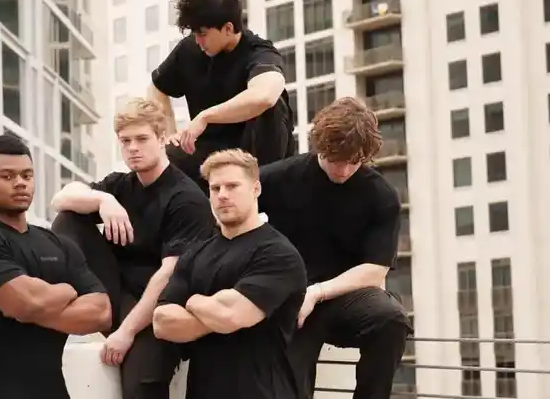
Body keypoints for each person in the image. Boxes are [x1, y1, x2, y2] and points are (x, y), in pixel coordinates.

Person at [49, 98, 215, 399]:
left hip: (159, 310)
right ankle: (82, 308)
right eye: (125, 141)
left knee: (141, 386)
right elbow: (59, 199)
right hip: (115, 294)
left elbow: (170, 275)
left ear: (162, 139)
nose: (133, 148)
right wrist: (103, 201)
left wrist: (126, 332)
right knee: (68, 220)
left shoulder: (186, 199)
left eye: (141, 139)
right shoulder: (120, 186)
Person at [257, 97, 414, 399]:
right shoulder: (275, 178)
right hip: (290, 299)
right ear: (319, 145)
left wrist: (317, 292)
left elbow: (375, 269)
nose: (342, 170)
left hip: (345, 298)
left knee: (392, 320)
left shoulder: (381, 195)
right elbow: (225, 209)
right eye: (334, 159)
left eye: (353, 161)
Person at [0, 135, 111, 399]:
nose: (20, 182)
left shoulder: (59, 245)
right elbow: (27, 303)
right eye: (7, 176)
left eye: (26, 175)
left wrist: (32, 309)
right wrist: (67, 291)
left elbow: (101, 312)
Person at [153, 149, 307, 399]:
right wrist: (217, 314)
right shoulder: (195, 254)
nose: (222, 195)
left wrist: (193, 301)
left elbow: (230, 315)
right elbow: (161, 322)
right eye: (215, 188)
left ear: (256, 189)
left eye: (232, 186)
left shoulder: (278, 254)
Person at [148, 0, 295, 193]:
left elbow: (265, 95)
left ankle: (261, 193)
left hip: (256, 156)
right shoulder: (189, 50)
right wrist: (170, 133)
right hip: (209, 153)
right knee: (165, 155)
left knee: (272, 106)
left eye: (203, 34)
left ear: (228, 28)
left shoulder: (259, 52)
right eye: (195, 34)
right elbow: (156, 88)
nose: (198, 41)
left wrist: (205, 116)